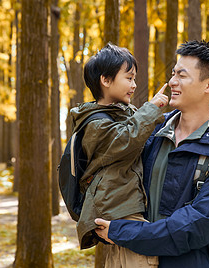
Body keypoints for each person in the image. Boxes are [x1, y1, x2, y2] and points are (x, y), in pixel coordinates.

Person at [94, 40, 209, 268]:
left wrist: (122, 232)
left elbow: (195, 227)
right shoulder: (150, 131)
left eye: (182, 75)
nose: (172, 81)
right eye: (173, 73)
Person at [72, 43, 168, 267]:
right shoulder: (95, 123)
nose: (134, 85)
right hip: (119, 208)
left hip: (122, 205)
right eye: (129, 78)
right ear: (105, 80)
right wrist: (152, 108)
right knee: (142, 260)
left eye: (135, 79)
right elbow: (125, 141)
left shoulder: (121, 114)